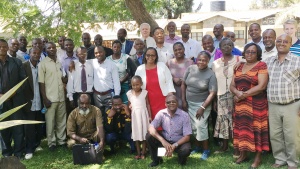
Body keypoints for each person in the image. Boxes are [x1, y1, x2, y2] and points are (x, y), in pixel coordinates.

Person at [230, 43, 269, 168]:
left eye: (253, 52)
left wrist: (242, 95)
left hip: (256, 105)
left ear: (258, 54)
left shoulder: (261, 65)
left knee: (257, 130)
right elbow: (232, 85)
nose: (250, 54)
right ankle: (243, 154)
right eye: (247, 51)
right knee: (242, 129)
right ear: (244, 53)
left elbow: (261, 86)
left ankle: (258, 158)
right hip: (241, 105)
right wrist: (236, 93)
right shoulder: (238, 66)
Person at [264, 34, 300, 169]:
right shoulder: (268, 61)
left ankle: (292, 162)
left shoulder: (297, 61)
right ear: (275, 42)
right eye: (279, 41)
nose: (281, 43)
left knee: (292, 136)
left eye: (285, 41)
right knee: (275, 135)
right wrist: (240, 61)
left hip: (293, 104)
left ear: (291, 44)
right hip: (273, 104)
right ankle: (280, 159)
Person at [181, 51, 217, 160]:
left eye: (204, 60)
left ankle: (206, 149)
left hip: (202, 104)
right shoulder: (190, 68)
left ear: (208, 61)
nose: (201, 62)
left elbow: (212, 93)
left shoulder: (211, 74)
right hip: (189, 103)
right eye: (199, 59)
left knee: (201, 126)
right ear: (196, 59)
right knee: (193, 127)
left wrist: (202, 107)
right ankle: (197, 147)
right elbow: (183, 84)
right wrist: (183, 100)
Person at [212, 38, 243, 157]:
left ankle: (237, 149)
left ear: (233, 47)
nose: (227, 47)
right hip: (221, 95)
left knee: (235, 121)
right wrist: (214, 100)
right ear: (220, 47)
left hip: (235, 95)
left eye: (230, 45)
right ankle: (224, 146)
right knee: (223, 121)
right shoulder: (215, 63)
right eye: (224, 45)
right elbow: (214, 82)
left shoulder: (239, 59)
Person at [146, 94, 192, 167]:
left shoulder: (184, 115)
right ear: (165, 104)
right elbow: (150, 128)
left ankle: (181, 158)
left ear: (177, 103)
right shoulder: (161, 113)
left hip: (178, 142)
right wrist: (163, 141)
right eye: (168, 102)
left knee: (185, 150)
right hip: (165, 140)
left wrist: (174, 145)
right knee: (149, 136)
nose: (171, 103)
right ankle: (156, 160)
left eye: (173, 102)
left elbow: (187, 137)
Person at [0, 39, 26, 159]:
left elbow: (23, 80)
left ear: (8, 48)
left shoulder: (16, 62)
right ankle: (6, 153)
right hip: (1, 102)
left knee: (17, 127)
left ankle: (18, 152)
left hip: (15, 99)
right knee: (3, 128)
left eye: (5, 46)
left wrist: (15, 92)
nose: (3, 49)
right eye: (0, 46)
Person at [38, 42, 67, 151]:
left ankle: (61, 140)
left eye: (53, 47)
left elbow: (63, 78)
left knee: (61, 120)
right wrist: (45, 99)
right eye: (49, 48)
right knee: (50, 122)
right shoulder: (43, 64)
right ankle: (52, 143)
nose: (52, 49)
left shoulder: (59, 62)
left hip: (61, 96)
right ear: (45, 50)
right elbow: (41, 83)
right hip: (50, 98)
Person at [135, 47, 175, 123]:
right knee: (150, 120)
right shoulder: (140, 69)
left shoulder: (162, 66)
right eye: (148, 55)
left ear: (156, 56)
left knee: (165, 120)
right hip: (147, 100)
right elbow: (136, 85)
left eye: (153, 55)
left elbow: (169, 81)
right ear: (145, 56)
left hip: (162, 99)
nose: (150, 57)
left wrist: (170, 95)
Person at [23, 47, 44, 159]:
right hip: (28, 101)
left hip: (39, 100)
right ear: (29, 54)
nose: (36, 55)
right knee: (29, 127)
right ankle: (29, 149)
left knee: (38, 124)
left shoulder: (41, 66)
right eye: (34, 53)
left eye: (38, 53)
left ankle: (37, 144)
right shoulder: (24, 66)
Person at [126, 75, 151, 159]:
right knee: (136, 134)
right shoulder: (129, 93)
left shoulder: (144, 93)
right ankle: (138, 153)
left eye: (137, 84)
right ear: (131, 85)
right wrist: (129, 107)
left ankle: (143, 152)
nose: (135, 86)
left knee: (144, 134)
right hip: (135, 116)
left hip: (143, 115)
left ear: (141, 84)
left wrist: (150, 116)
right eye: (133, 85)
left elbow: (147, 104)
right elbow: (129, 104)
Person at [91, 46, 120, 118]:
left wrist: (116, 97)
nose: (98, 54)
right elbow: (81, 61)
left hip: (109, 96)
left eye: (100, 52)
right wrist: (73, 62)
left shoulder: (112, 65)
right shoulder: (92, 62)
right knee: (99, 117)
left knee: (110, 116)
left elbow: (116, 82)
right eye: (96, 53)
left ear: (104, 52)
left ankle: (110, 129)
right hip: (97, 96)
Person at [107, 40, 137, 104]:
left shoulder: (126, 57)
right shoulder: (108, 59)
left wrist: (121, 81)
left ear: (121, 48)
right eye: (114, 47)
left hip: (124, 84)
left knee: (125, 104)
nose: (116, 49)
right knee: (114, 105)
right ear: (112, 48)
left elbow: (130, 71)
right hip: (112, 86)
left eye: (118, 47)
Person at [166, 42, 193, 108]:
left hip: (187, 92)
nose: (178, 51)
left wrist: (183, 80)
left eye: (180, 49)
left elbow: (194, 78)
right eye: (175, 50)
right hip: (174, 93)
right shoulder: (169, 63)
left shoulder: (190, 62)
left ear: (184, 49)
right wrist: (173, 79)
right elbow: (165, 77)